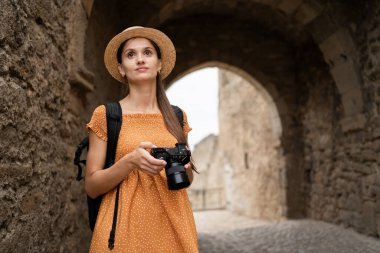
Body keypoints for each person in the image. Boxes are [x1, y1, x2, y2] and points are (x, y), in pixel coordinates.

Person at [85, 26, 199, 252]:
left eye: (147, 53)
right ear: (121, 69)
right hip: (122, 232)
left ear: (159, 64)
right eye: (131, 54)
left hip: (174, 229)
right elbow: (92, 186)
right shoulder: (106, 115)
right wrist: (130, 162)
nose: (140, 59)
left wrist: (183, 166)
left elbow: (186, 179)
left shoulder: (177, 116)